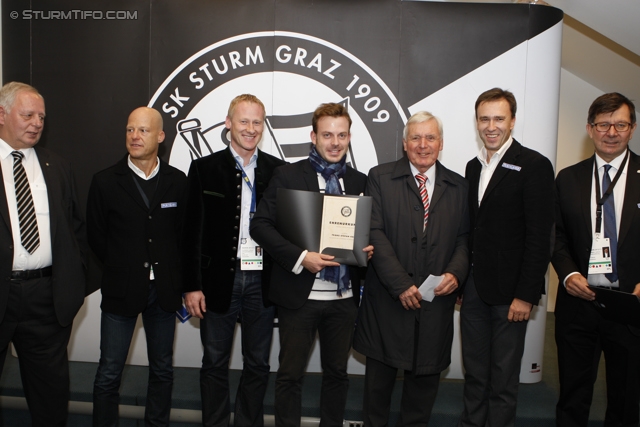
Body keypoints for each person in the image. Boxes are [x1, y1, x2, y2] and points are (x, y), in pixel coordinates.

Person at [250, 102, 373, 427]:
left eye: (342, 135)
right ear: (313, 136)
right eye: (328, 135)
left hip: (343, 302)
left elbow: (368, 233)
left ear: (349, 137)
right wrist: (302, 257)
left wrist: (367, 250)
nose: (335, 142)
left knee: (337, 374)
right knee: (290, 375)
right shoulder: (288, 175)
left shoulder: (360, 181)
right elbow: (260, 225)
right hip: (298, 298)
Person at [353, 111, 469, 426]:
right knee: (376, 401)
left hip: (434, 307)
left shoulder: (459, 186)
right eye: (415, 138)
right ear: (405, 144)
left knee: (420, 402)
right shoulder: (379, 177)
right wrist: (400, 285)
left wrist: (456, 273)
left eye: (430, 137)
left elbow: (464, 239)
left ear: (441, 143)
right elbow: (373, 232)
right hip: (388, 304)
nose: (423, 145)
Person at [182, 94, 286, 427]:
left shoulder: (278, 171)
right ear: (229, 123)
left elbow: (288, 230)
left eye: (257, 122)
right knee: (214, 362)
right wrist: (192, 286)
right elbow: (190, 233)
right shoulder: (203, 170)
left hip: (262, 282)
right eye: (244, 121)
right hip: (217, 283)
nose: (250, 129)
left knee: (258, 364)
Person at [459, 88, 555, 427]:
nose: (491, 126)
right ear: (477, 122)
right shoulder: (472, 168)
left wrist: (526, 295)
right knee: (474, 374)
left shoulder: (534, 165)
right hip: (472, 292)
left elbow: (540, 238)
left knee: (503, 381)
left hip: (511, 297)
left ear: (512, 121)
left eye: (499, 118)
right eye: (484, 118)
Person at [87, 107, 187, 426]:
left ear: (160, 136)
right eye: (130, 130)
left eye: (143, 130)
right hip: (121, 290)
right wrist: (125, 268)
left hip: (164, 294)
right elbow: (96, 237)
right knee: (109, 373)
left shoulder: (177, 181)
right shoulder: (104, 181)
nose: (135, 136)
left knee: (162, 370)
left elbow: (183, 236)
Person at [0, 81, 86, 426]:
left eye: (41, 117)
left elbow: (75, 229)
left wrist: (72, 281)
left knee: (50, 398)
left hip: (46, 299)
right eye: (28, 115)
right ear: (2, 115)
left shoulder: (57, 166)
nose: (37, 123)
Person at [552, 92, 639, 427]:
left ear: (632, 129)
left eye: (620, 124)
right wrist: (568, 274)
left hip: (630, 304)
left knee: (625, 396)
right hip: (578, 303)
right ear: (590, 129)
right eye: (604, 124)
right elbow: (555, 236)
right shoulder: (568, 178)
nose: (611, 132)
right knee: (572, 395)